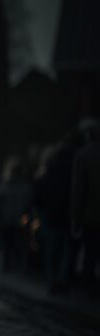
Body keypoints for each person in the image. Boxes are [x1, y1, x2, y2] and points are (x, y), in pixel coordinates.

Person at [35, 132, 83, 293]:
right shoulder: (72, 168)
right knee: (65, 249)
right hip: (67, 214)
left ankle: (52, 279)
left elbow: (40, 192)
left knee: (52, 249)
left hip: (51, 214)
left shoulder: (50, 169)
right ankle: (62, 279)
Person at [0, 157, 33, 272]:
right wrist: (27, 221)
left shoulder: (2, 188)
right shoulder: (25, 188)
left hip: (5, 221)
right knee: (19, 244)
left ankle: (7, 266)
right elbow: (29, 207)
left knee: (7, 245)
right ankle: (20, 267)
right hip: (20, 222)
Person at [72, 122, 100, 294]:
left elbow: (78, 190)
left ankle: (87, 286)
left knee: (89, 252)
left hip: (90, 215)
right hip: (91, 213)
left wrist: (75, 217)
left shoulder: (83, 155)